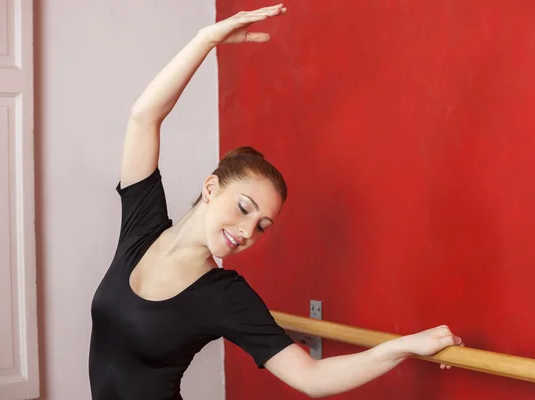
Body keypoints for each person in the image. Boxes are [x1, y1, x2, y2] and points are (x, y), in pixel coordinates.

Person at [88, 4, 464, 399]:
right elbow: (144, 116)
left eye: (262, 226)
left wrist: (402, 347)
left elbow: (312, 378)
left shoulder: (225, 296)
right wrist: (206, 40)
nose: (248, 232)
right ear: (211, 188)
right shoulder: (142, 226)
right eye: (245, 208)